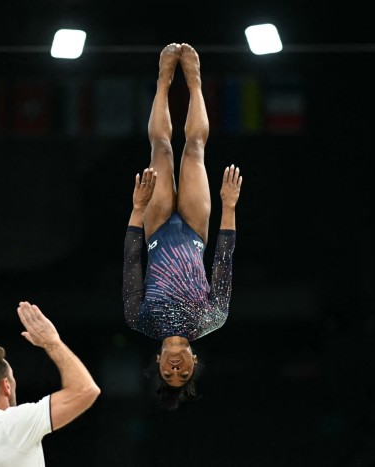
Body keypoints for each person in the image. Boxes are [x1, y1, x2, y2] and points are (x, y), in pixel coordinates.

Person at [122, 43, 243, 411]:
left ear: (157, 363)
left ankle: (162, 83)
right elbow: (222, 261)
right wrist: (229, 206)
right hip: (194, 231)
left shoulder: (139, 320)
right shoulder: (213, 319)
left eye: (169, 374)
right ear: (195, 364)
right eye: (184, 374)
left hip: (156, 230)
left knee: (161, 149)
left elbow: (131, 263)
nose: (176, 369)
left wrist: (138, 210)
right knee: (193, 150)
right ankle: (194, 83)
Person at [0, 301, 100, 466]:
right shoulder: (11, 426)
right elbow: (86, 390)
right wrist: (52, 343)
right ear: (6, 386)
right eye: (12, 377)